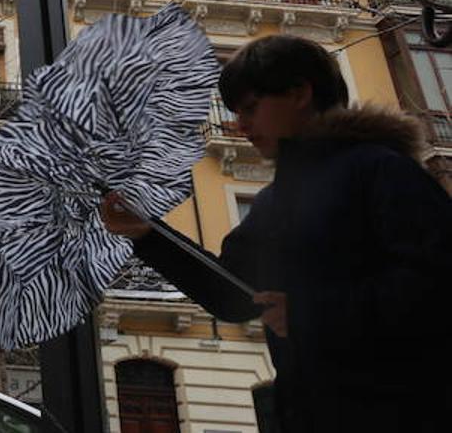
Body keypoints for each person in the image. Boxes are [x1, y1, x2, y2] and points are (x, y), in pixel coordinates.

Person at [100, 35, 452, 432]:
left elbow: (437, 287)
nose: (240, 124)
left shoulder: (381, 170)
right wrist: (147, 235)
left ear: (299, 93)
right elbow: (236, 296)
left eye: (250, 107)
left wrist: (309, 312)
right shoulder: (274, 201)